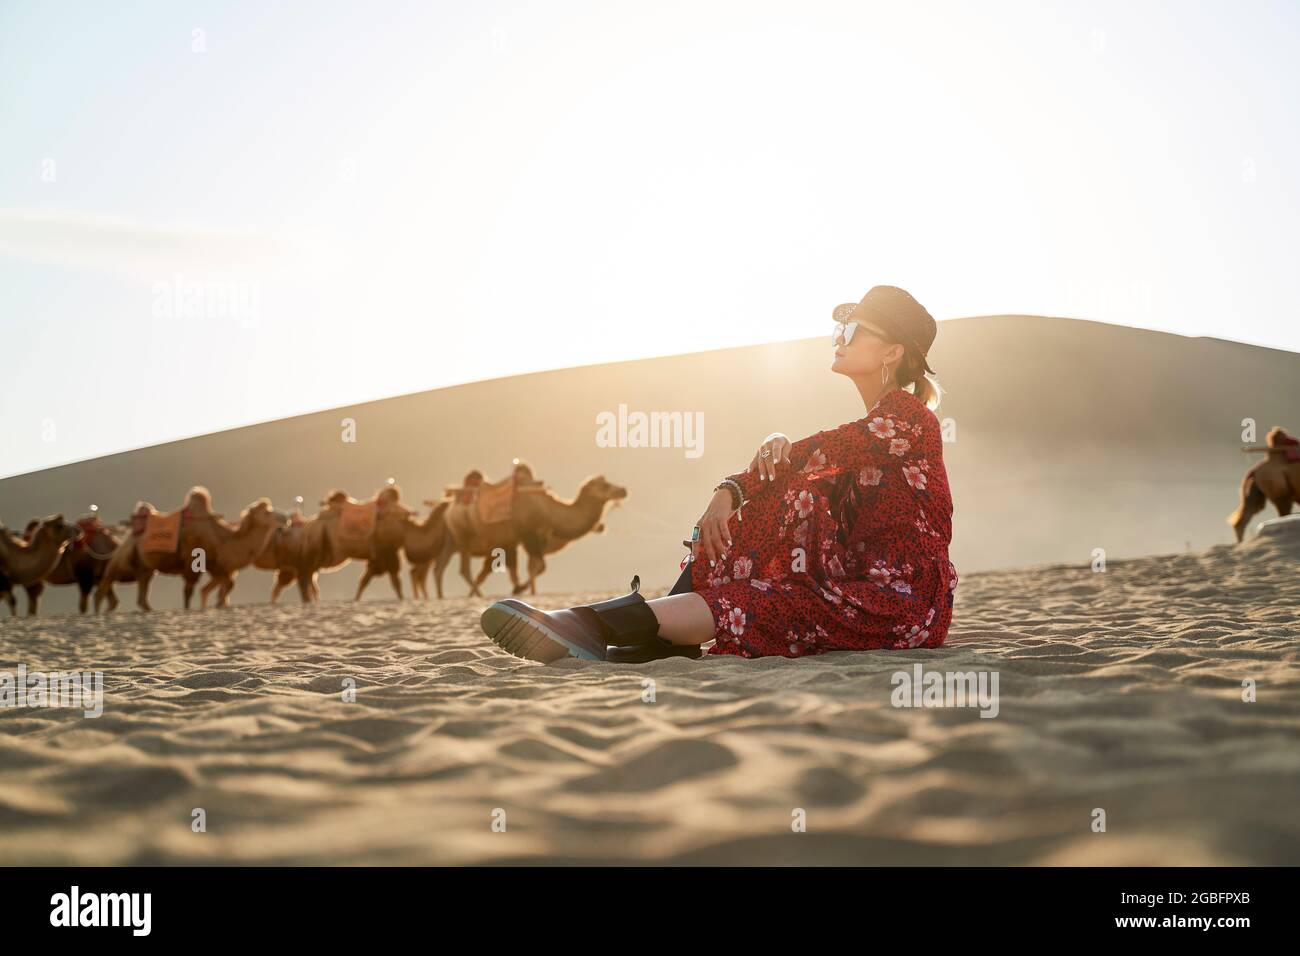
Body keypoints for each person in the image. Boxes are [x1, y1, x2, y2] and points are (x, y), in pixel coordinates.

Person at [479, 285, 957, 663]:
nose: (839, 337)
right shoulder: (877, 425)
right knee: (783, 505)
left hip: (898, 601)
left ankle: (594, 624)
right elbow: (797, 470)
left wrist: (739, 482)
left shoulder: (909, 419)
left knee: (770, 595)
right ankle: (645, 632)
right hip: (851, 581)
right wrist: (734, 489)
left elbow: (817, 453)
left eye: (853, 329)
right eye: (839, 328)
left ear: (892, 353)